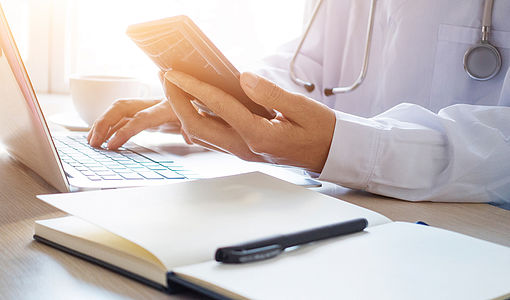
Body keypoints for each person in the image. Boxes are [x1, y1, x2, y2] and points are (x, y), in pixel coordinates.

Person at [87, 0, 510, 208]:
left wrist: (341, 148)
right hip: (342, 203)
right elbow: (307, 65)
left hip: (472, 231)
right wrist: (228, 99)